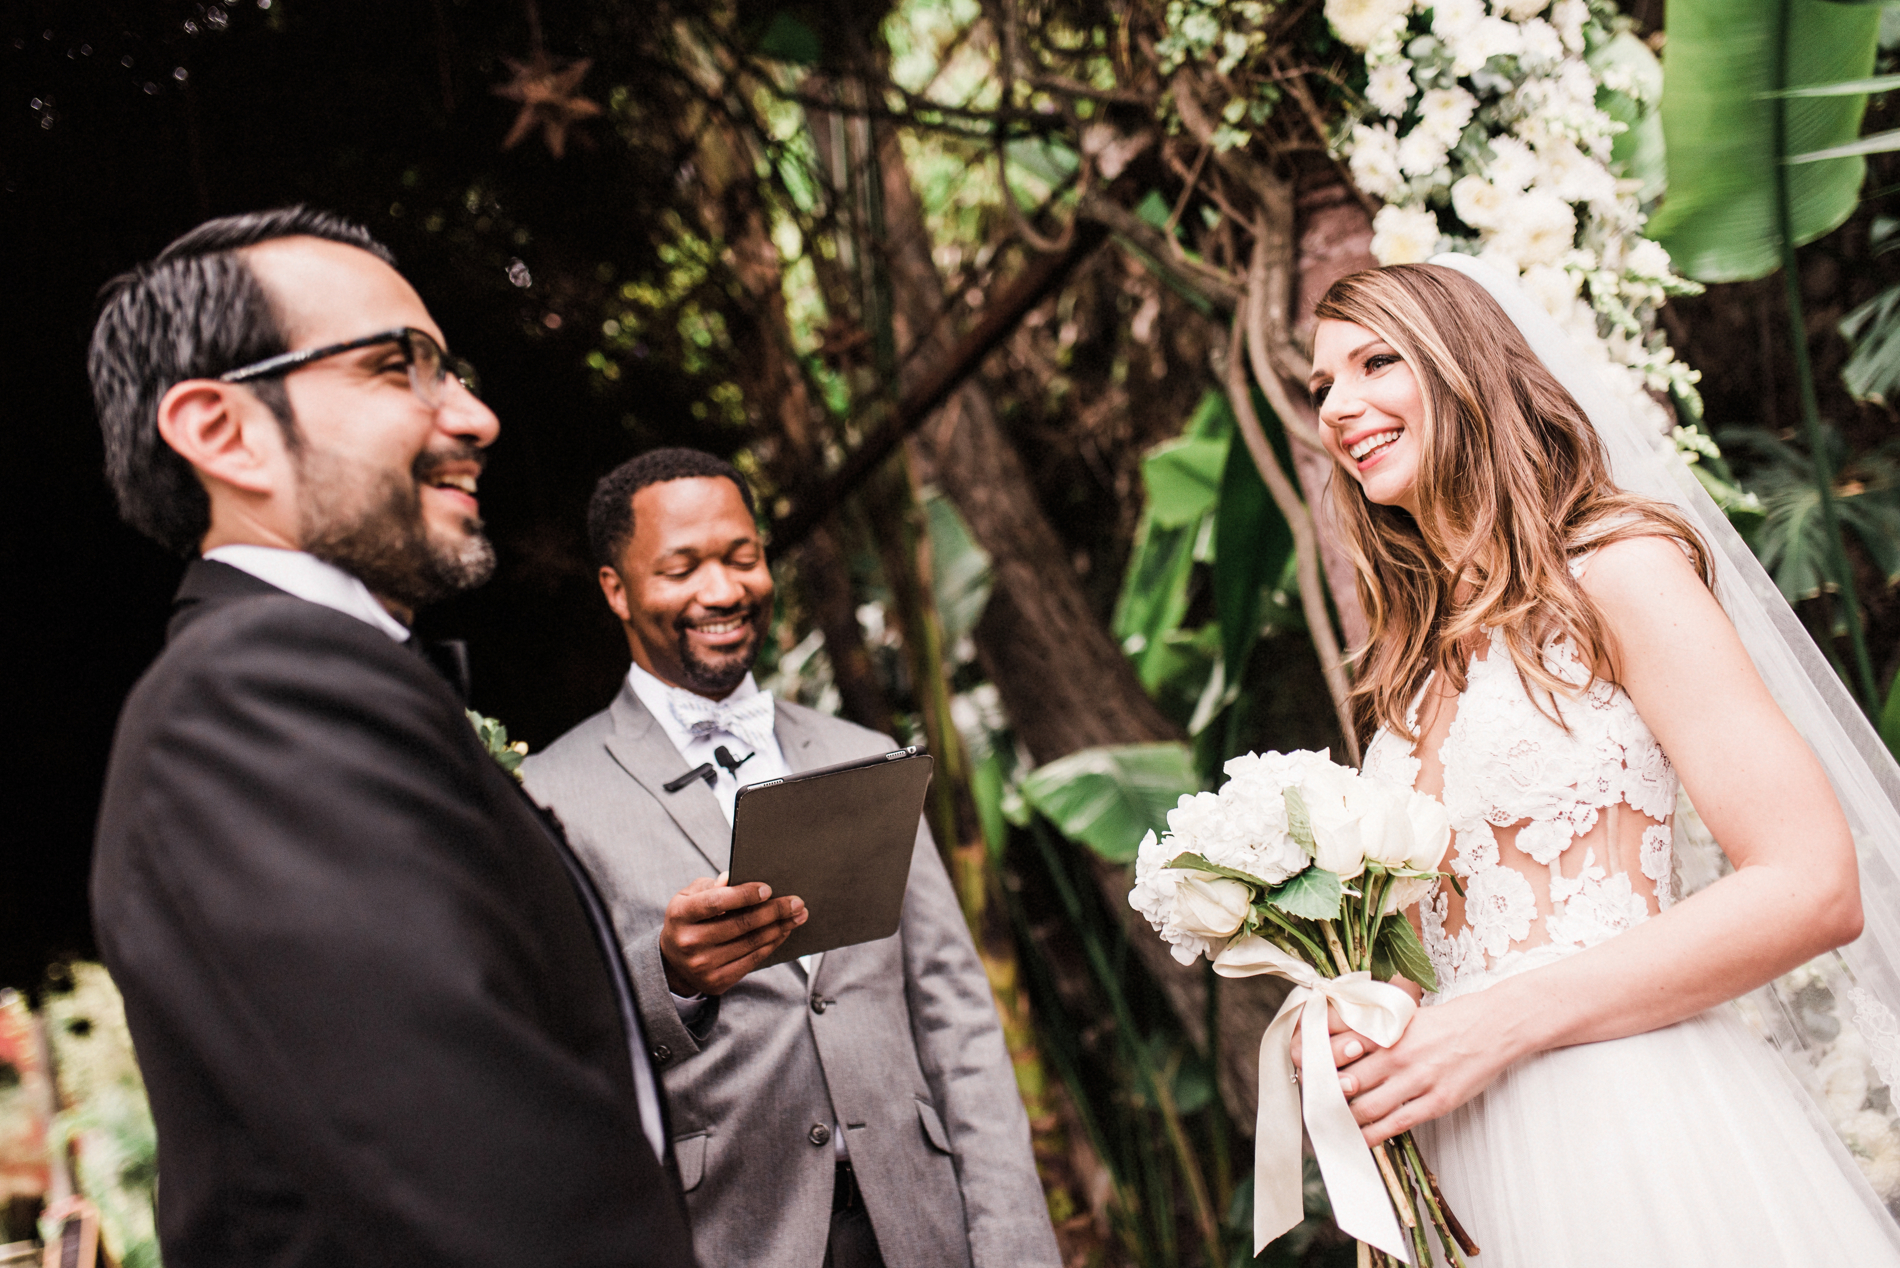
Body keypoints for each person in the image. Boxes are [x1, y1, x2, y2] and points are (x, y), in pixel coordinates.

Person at [88, 208, 696, 1268]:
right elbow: (499, 1190)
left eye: (451, 368)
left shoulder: (311, 680)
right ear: (224, 432)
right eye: (396, 366)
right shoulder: (246, 694)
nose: (475, 415)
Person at [1302, 259, 1900, 1266]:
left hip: (1630, 1134)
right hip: (1463, 1168)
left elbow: (1811, 884)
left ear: (1464, 370)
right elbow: (1440, 947)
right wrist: (1351, 1020)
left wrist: (1494, 1023)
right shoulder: (1410, 669)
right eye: (1320, 385)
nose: (1339, 406)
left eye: (1374, 361)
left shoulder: (1616, 572)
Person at [520, 448, 1061, 1268]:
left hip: (923, 1226)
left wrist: (1016, 1245)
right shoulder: (547, 794)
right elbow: (552, 1053)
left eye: (743, 557)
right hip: (730, 1238)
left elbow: (956, 1016)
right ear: (615, 589)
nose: (725, 590)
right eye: (682, 567)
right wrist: (665, 977)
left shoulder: (864, 750)